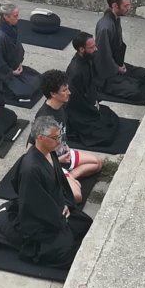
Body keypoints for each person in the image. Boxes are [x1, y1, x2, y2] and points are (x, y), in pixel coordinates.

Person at [0, 113, 91, 270]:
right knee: (67, 252)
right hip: (41, 220)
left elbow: (60, 184)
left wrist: (65, 204)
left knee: (84, 224)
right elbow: (34, 204)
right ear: (40, 138)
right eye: (54, 138)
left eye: (59, 136)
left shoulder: (50, 152)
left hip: (57, 207)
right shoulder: (31, 169)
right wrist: (59, 214)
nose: (58, 141)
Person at [36, 69, 109, 205]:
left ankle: (69, 177)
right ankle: (62, 179)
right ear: (53, 93)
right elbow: (34, 152)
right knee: (77, 196)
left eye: (67, 88)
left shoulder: (61, 107)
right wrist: (57, 160)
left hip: (65, 153)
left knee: (97, 163)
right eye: (64, 90)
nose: (69, 92)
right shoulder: (44, 118)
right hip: (53, 162)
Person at [63, 32, 128, 151]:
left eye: (95, 45)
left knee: (110, 116)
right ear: (81, 49)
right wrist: (92, 107)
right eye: (92, 47)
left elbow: (91, 84)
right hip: (79, 111)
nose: (96, 49)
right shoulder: (75, 71)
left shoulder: (87, 59)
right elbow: (74, 100)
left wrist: (95, 101)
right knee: (105, 136)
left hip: (89, 102)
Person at [94, 0, 145, 103]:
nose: (129, 8)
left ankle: (126, 79)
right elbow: (103, 57)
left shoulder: (115, 18)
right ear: (115, 6)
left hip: (116, 63)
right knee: (135, 92)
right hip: (106, 73)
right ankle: (122, 81)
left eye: (129, 5)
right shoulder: (105, 27)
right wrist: (117, 68)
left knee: (144, 74)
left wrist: (121, 65)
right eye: (126, 6)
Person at [0, 4, 41, 103]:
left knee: (38, 79)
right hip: (2, 74)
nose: (18, 18)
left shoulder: (13, 29)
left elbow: (18, 49)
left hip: (15, 67)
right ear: (6, 17)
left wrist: (19, 63)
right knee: (26, 92)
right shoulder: (0, 36)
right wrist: (11, 72)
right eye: (15, 16)